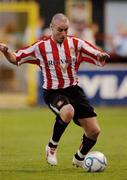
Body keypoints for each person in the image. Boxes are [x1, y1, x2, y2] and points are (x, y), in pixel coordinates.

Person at [0, 13, 110, 167]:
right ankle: (52, 147)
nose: (63, 34)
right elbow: (16, 58)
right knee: (68, 111)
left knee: (94, 131)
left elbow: (95, 52)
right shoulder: (40, 47)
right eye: (60, 30)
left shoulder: (76, 43)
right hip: (53, 92)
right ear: (51, 27)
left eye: (66, 30)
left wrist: (101, 55)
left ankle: (79, 158)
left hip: (74, 91)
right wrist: (5, 51)